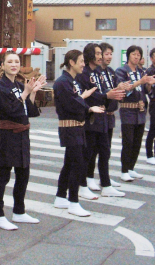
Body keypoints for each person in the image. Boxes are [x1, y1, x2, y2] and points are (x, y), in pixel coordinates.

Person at [0, 52, 45, 230]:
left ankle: (19, 211)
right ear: (3, 65)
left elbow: (30, 111)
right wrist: (25, 93)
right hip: (8, 134)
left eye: (16, 61)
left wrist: (32, 92)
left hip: (23, 134)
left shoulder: (20, 85)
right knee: (3, 174)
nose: (14, 64)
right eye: (10, 61)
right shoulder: (0, 87)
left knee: (23, 173)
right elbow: (10, 110)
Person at [53, 50, 104, 217]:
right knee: (77, 164)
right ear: (71, 62)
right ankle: (73, 202)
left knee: (70, 163)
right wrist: (87, 106)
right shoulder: (62, 82)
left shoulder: (73, 81)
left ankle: (61, 196)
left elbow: (78, 101)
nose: (83, 64)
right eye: (81, 61)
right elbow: (71, 104)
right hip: (69, 127)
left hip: (78, 127)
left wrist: (86, 103)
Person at [80, 43, 126, 195]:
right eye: (98, 54)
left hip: (103, 116)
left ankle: (106, 185)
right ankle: (83, 184)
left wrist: (112, 94)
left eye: (101, 53)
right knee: (88, 153)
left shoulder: (99, 73)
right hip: (91, 118)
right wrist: (106, 95)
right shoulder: (84, 73)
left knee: (105, 151)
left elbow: (104, 92)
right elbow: (89, 95)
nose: (100, 57)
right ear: (89, 55)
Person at [115, 46, 155, 182]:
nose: (137, 57)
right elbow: (124, 89)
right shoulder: (121, 71)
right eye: (134, 54)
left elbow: (145, 90)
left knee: (137, 142)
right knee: (128, 141)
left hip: (140, 110)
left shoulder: (141, 71)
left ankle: (131, 168)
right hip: (128, 110)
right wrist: (140, 82)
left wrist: (148, 84)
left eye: (139, 55)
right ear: (128, 55)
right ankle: (124, 170)